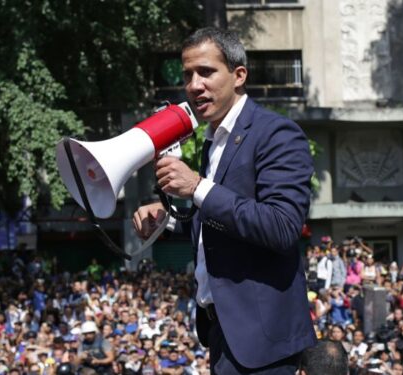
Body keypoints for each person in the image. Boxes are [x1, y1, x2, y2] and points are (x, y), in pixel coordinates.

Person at [133, 27, 316, 373]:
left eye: (206, 71)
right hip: (223, 335)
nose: (194, 85)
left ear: (239, 75)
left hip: (265, 347)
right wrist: (169, 217)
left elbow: (282, 226)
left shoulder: (276, 133)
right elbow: (219, 221)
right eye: (187, 75)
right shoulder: (214, 139)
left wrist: (198, 187)